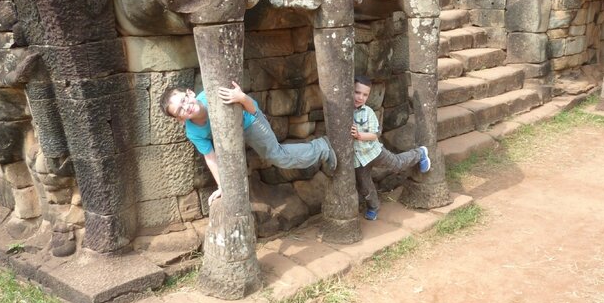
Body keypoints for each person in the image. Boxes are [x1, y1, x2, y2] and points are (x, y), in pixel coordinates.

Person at [161, 82, 336, 204]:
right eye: (180, 110)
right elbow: (210, 157)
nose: (186, 106)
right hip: (230, 136)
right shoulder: (193, 131)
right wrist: (221, 186)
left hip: (250, 120)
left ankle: (322, 147)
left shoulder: (211, 95)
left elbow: (252, 108)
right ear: (180, 120)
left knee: (277, 156)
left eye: (184, 100)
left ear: (190, 93)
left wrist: (241, 97)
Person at [351, 76, 431, 221]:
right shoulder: (344, 112)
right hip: (358, 160)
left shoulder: (367, 112)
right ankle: (373, 207)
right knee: (364, 185)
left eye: (365, 94)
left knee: (397, 164)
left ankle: (420, 153)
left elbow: (375, 134)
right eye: (357, 92)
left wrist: (359, 135)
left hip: (374, 152)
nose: (360, 97)